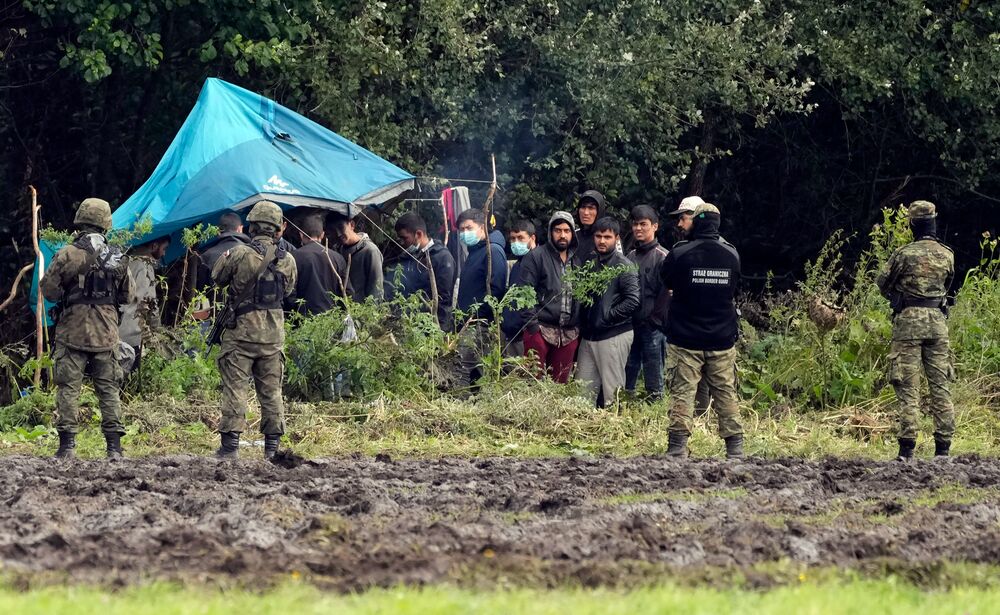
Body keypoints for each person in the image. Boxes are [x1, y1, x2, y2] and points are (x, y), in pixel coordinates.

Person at [40, 197, 135, 459]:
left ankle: (67, 446)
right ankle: (114, 449)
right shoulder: (117, 255)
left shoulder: (67, 253)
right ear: (106, 224)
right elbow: (128, 295)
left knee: (68, 388)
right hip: (106, 332)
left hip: (72, 330)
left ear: (80, 221)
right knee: (108, 389)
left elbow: (48, 291)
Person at [211, 200, 297, 460]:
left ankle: (230, 448)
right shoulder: (288, 259)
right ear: (277, 228)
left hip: (242, 334)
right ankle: (272, 449)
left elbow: (218, 277)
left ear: (252, 225)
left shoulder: (239, 253)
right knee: (272, 392)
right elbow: (290, 291)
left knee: (236, 389)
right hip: (273, 336)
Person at [660, 203, 743, 459]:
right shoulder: (731, 254)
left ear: (695, 222)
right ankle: (735, 450)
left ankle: (677, 449)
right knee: (725, 392)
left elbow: (666, 280)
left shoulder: (680, 252)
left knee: (682, 392)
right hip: (721, 338)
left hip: (686, 337)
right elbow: (734, 290)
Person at [876, 201, 955, 460]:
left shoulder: (904, 254)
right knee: (940, 385)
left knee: (908, 387)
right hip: (937, 322)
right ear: (934, 221)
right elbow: (948, 283)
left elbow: (882, 283)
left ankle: (907, 448)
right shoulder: (947, 254)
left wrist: (900, 294)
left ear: (912, 224)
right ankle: (943, 448)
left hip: (909, 322)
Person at [575, 217, 640, 408]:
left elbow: (633, 301)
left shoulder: (624, 265)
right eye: (598, 236)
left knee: (613, 394)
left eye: (607, 237)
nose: (602, 241)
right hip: (589, 335)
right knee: (582, 393)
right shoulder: (591, 262)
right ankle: (584, 431)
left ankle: (616, 432)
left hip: (614, 334)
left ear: (616, 238)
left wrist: (606, 317)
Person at [516, 212, 581, 383]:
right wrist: (533, 328)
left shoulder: (578, 262)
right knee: (531, 382)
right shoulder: (536, 256)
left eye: (567, 231)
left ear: (572, 233)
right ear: (551, 232)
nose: (562, 235)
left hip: (568, 333)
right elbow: (524, 293)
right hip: (540, 329)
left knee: (559, 385)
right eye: (558, 230)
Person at [667, 194, 712, 415]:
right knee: (689, 383)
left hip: (702, 328)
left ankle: (700, 421)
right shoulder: (683, 248)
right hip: (693, 327)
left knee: (701, 382)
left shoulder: (713, 249)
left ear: (696, 218)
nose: (680, 223)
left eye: (684, 218)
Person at [454, 208, 507, 390]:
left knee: (461, 368)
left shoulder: (492, 251)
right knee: (472, 371)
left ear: (483, 227)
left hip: (479, 323)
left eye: (468, 227)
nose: (464, 233)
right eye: (461, 230)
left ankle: (461, 406)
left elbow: (496, 289)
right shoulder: (475, 252)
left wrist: (478, 316)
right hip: (467, 322)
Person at [624, 205, 670, 402]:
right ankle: (626, 405)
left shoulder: (663, 257)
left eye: (643, 224)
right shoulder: (629, 257)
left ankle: (655, 412)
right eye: (635, 224)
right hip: (630, 324)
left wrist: (654, 321)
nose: (639, 229)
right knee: (628, 369)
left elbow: (667, 294)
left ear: (655, 226)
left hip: (654, 327)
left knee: (654, 373)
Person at [392, 211, 457, 330]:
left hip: (432, 326)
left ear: (418, 234)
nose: (402, 243)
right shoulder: (411, 256)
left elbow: (443, 300)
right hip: (412, 325)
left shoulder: (442, 258)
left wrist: (439, 331)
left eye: (404, 238)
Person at [118, 235, 170, 373]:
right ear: (154, 246)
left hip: (114, 327)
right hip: (133, 332)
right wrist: (156, 329)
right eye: (163, 248)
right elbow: (149, 303)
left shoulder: (124, 261)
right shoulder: (145, 267)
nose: (164, 253)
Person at [292, 212, 347, 316]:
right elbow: (346, 292)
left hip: (302, 321)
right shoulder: (338, 258)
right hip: (332, 319)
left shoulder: (293, 257)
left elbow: (289, 293)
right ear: (322, 234)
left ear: (301, 234)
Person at [501, 219, 538, 356]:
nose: (516, 242)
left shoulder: (537, 262)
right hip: (511, 334)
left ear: (532, 238)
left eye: (521, 238)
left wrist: (531, 329)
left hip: (525, 335)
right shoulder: (517, 265)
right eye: (513, 239)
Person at [328, 212, 384, 302]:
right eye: (333, 230)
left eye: (340, 227)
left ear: (352, 225)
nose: (338, 234)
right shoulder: (336, 251)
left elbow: (376, 289)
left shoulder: (370, 251)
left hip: (362, 312)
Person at [196, 212, 249, 290]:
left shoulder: (206, 256)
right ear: (239, 228)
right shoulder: (251, 252)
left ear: (218, 231)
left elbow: (200, 289)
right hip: (243, 301)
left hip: (212, 301)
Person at [575, 190, 607, 259]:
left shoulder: (609, 237)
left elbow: (618, 266)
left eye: (591, 208)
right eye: (583, 207)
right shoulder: (573, 236)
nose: (586, 212)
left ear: (599, 211)